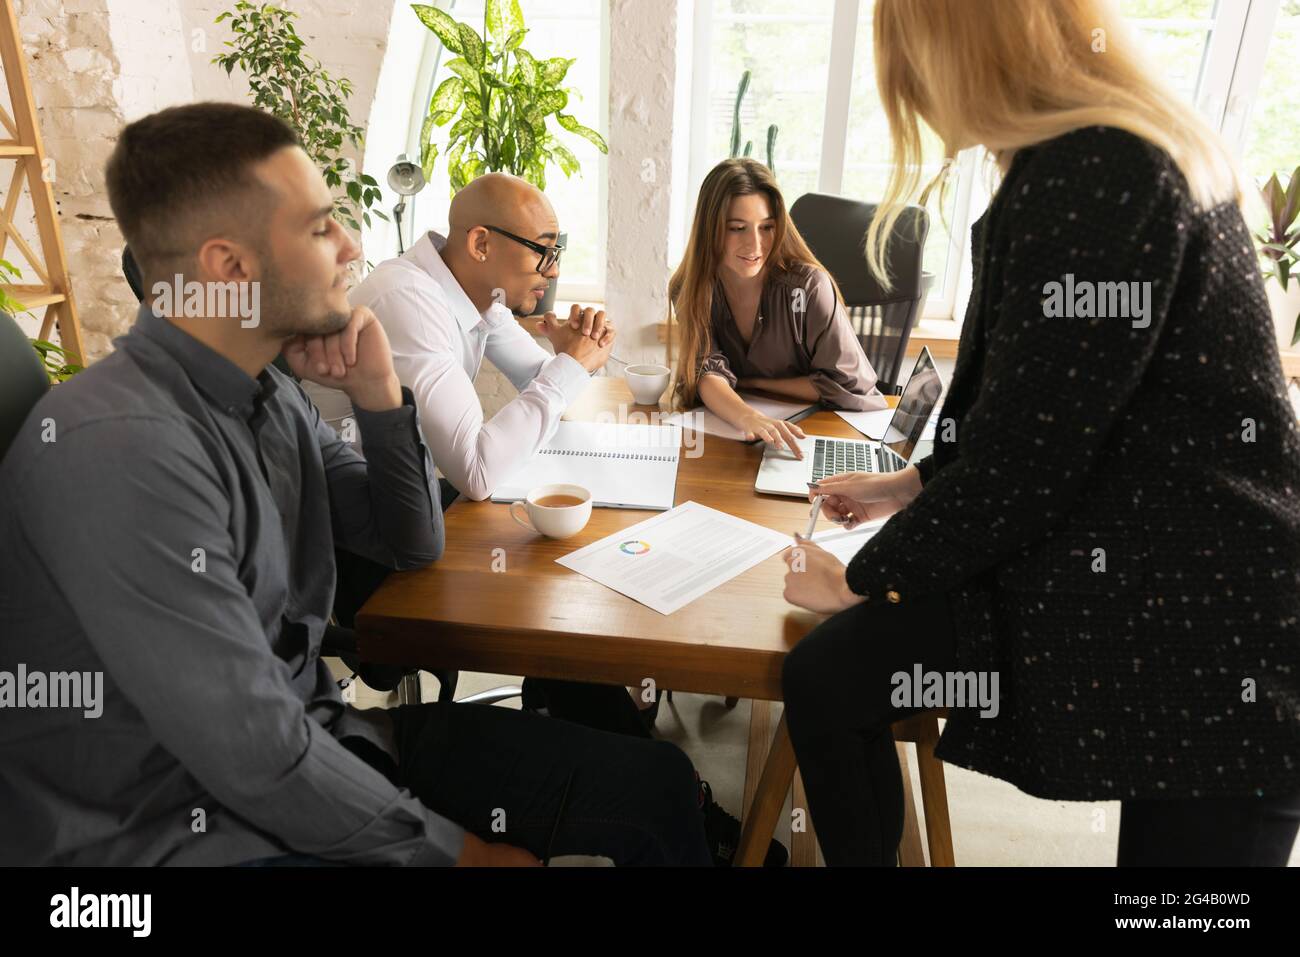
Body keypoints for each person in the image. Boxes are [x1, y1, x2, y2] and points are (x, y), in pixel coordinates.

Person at [0, 102, 713, 867]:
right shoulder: (122, 450)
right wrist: (462, 856)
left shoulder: (272, 399)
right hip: (175, 831)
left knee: (657, 787)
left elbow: (410, 545)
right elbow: (255, 754)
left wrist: (379, 397)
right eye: (319, 227)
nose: (351, 246)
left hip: (318, 746)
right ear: (229, 267)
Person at [779, 0, 1300, 866]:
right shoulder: (1078, 158)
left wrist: (865, 581)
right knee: (830, 676)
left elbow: (1027, 465)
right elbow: (1038, 409)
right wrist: (907, 488)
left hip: (1219, 637)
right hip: (1175, 606)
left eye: (911, 62)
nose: (910, 91)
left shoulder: (1099, 171)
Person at [668, 157, 888, 459]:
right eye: (737, 228)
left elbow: (843, 387)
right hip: (736, 438)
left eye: (766, 227)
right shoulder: (689, 288)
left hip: (817, 436)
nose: (755, 244)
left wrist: (749, 382)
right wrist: (748, 417)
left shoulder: (810, 288)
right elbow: (706, 373)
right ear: (710, 228)